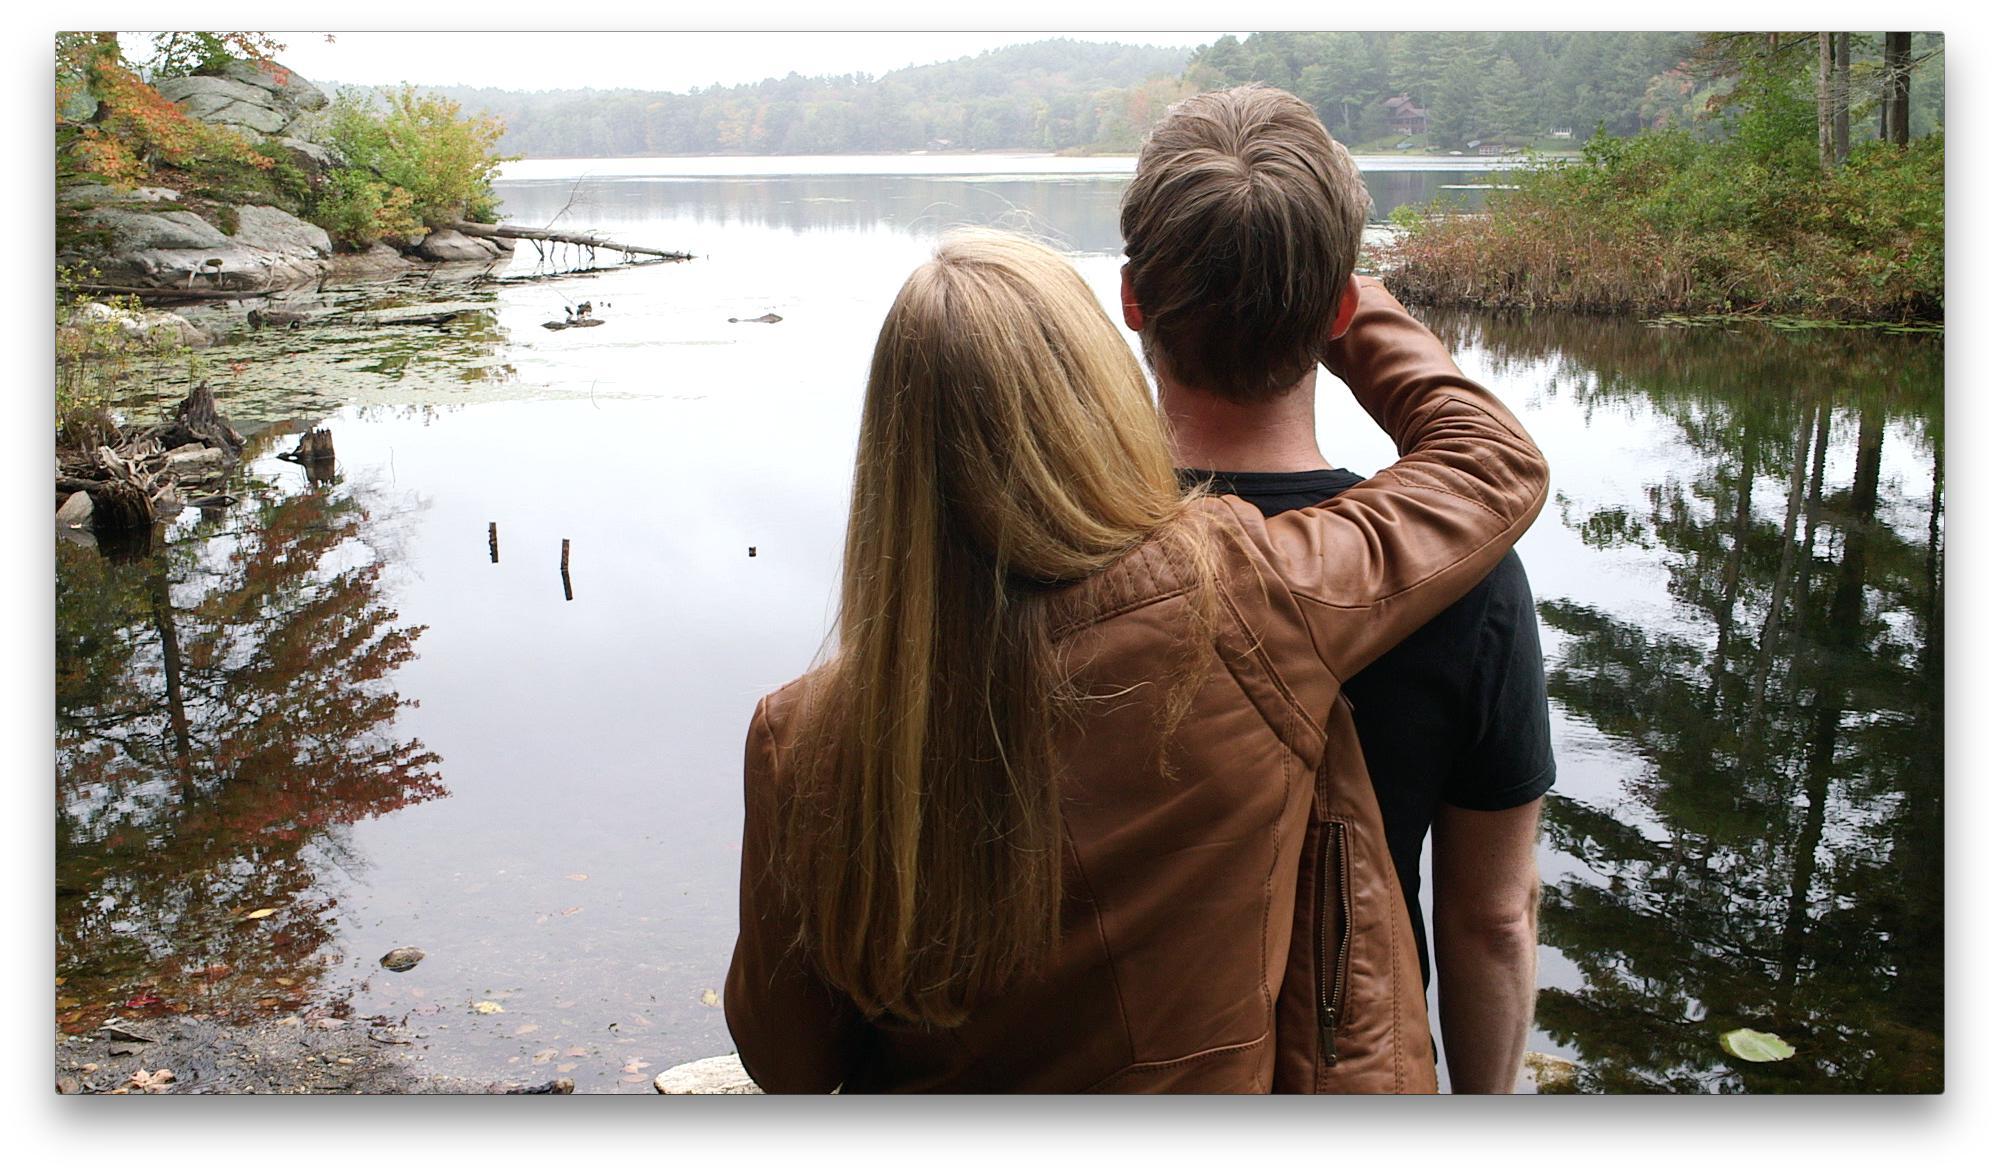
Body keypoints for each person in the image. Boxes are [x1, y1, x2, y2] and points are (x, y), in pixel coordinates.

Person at [723, 230, 1545, 1092]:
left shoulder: (800, 737)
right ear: (1099, 393)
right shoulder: (1244, 598)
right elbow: (1489, 467)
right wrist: (1351, 310)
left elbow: (789, 1063)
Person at [1118, 84, 1552, 1093]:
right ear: (1341, 314)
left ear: (1132, 299)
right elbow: (1490, 919)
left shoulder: (1052, 545)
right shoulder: (1461, 572)